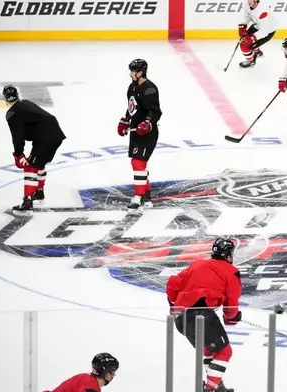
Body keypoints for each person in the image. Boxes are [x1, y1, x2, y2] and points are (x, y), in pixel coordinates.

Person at [166, 238, 242, 392]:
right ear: (228, 255)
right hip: (201, 316)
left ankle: (215, 384)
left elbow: (172, 284)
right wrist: (231, 319)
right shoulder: (231, 271)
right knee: (224, 351)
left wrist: (175, 304)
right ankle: (211, 388)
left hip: (181, 319)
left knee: (209, 350)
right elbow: (232, 303)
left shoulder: (197, 264)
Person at [3, 85, 66, 216]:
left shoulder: (12, 113)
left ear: (5, 100)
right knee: (39, 163)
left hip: (44, 137)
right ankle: (38, 193)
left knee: (30, 166)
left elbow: (17, 136)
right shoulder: (26, 103)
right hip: (56, 134)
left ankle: (27, 204)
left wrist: (18, 154)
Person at [118, 59, 162, 214]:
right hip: (135, 131)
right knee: (139, 164)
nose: (130, 74)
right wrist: (125, 120)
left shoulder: (149, 89)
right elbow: (132, 106)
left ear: (140, 72)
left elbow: (155, 111)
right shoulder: (132, 86)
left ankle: (139, 197)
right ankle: (147, 197)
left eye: (132, 71)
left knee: (137, 163)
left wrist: (148, 123)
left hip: (147, 133)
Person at [43, 352, 119, 392]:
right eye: (112, 372)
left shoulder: (88, 379)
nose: (114, 375)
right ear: (106, 374)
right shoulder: (91, 386)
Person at [238, 0, 277, 68]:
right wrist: (243, 25)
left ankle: (251, 61)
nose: (248, 2)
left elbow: (264, 30)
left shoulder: (263, 10)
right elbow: (247, 16)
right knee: (246, 38)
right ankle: (258, 52)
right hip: (258, 25)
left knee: (245, 44)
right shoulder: (246, 3)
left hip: (268, 31)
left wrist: (250, 37)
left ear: (256, 1)